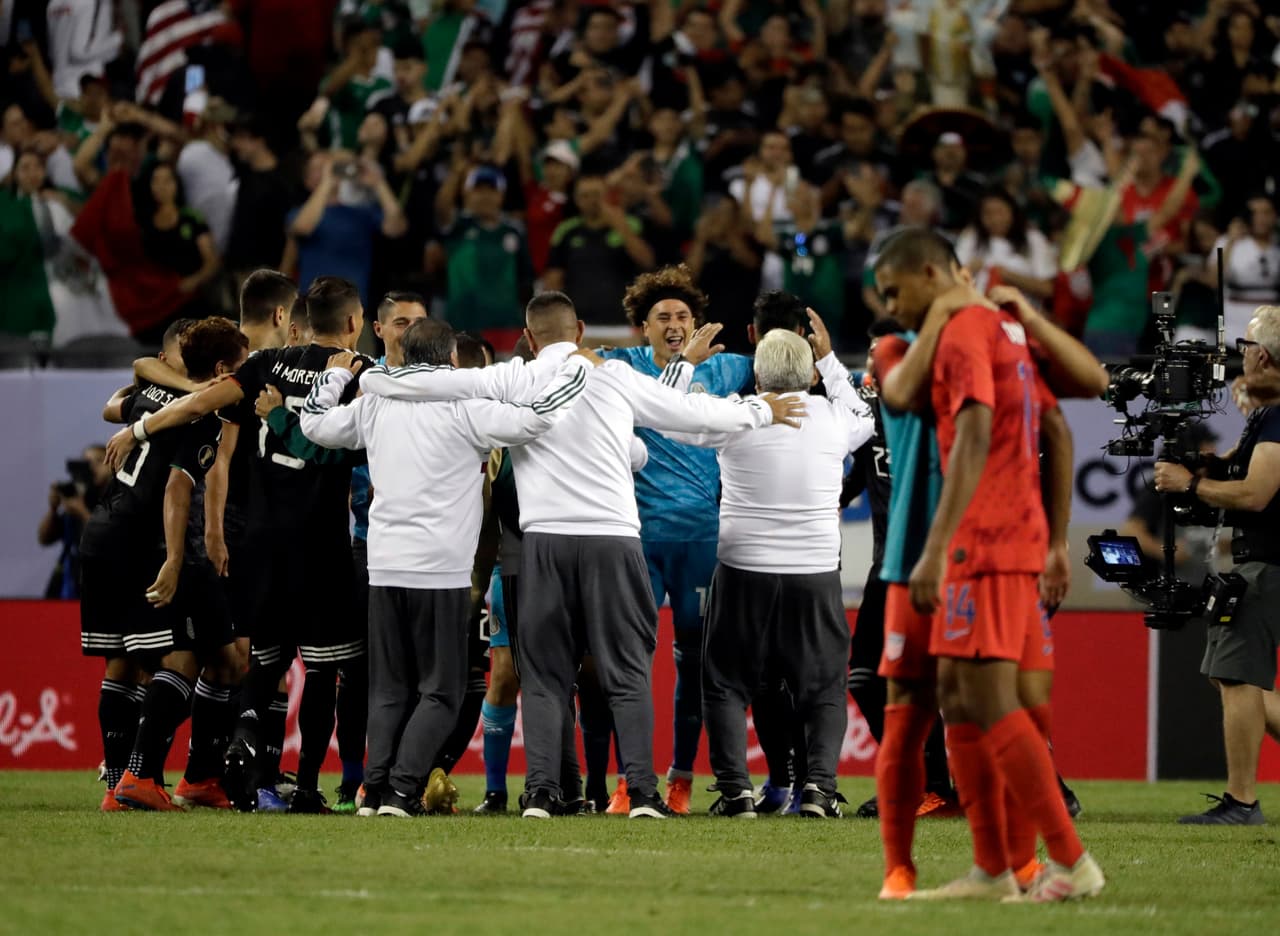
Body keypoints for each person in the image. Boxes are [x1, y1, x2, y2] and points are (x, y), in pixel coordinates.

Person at [355, 291, 807, 819]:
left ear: (527, 338)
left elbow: (433, 382)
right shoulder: (613, 375)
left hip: (543, 544)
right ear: (580, 331)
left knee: (545, 679)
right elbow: (691, 412)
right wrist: (758, 408)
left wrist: (369, 379)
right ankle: (641, 792)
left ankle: (541, 794)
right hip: (612, 541)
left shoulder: (515, 376)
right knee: (628, 673)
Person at [873, 228, 1103, 902]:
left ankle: (1047, 862)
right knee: (931, 706)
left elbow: (1021, 422)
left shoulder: (980, 332)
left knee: (999, 705)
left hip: (975, 547)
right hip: (948, 554)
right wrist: (959, 310)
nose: (891, 307)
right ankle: (942, 869)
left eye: (895, 291)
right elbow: (899, 391)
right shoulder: (918, 342)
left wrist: (948, 547)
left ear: (930, 272)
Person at [296, 319, 597, 817]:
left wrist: (333, 376)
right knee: (442, 692)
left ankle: (374, 793)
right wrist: (573, 376)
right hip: (441, 572)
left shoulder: (374, 404)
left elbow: (314, 426)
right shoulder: (467, 409)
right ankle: (399, 790)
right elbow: (538, 419)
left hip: (385, 565)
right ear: (452, 360)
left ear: (405, 358)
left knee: (389, 689)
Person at [105, 276, 372, 814]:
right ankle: (310, 786)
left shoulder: (264, 367)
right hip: (319, 541)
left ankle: (254, 775)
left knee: (262, 664)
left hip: (259, 541)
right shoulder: (356, 371)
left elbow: (199, 402)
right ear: (350, 324)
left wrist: (137, 430)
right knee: (323, 671)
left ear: (301, 320)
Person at [669, 323, 874, 819]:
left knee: (724, 684)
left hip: (744, 569)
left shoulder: (739, 414)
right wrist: (829, 361)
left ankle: (736, 792)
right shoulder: (832, 417)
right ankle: (819, 792)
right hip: (816, 572)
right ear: (808, 374)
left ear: (757, 375)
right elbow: (866, 413)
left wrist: (686, 364)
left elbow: (669, 418)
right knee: (823, 686)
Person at [600, 264, 755, 814]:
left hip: (701, 541)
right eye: (662, 316)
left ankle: (682, 778)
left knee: (695, 665)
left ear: (697, 324)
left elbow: (788, 371)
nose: (674, 324)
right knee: (630, 661)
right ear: (642, 327)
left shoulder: (730, 369)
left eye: (683, 316)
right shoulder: (621, 369)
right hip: (639, 540)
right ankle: (628, 781)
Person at [109, 318, 250, 811]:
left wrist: (134, 426)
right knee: (185, 660)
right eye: (241, 365)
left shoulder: (160, 392)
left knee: (227, 659)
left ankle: (192, 779)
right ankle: (137, 777)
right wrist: (178, 557)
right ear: (220, 369)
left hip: (156, 540)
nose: (247, 372)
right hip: (176, 547)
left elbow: (137, 371)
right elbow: (178, 484)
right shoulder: (206, 415)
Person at [1154, 304, 1280, 826]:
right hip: (1265, 561)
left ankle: (1242, 800)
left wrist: (1192, 484)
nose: (1239, 357)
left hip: (1267, 562)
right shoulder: (1266, 418)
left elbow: (1255, 493)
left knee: (1235, 678)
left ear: (1267, 357)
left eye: (1247, 348)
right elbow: (1241, 469)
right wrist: (1207, 465)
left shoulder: (1277, 417)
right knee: (1229, 677)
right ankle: (1241, 798)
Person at [285, 150, 407, 309]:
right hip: (311, 311)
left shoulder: (360, 212)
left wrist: (379, 183)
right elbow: (302, 228)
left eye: (329, 166)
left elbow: (396, 227)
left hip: (351, 312)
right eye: (318, 168)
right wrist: (326, 183)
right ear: (307, 180)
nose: (327, 170)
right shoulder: (298, 213)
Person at [428, 164, 533, 334]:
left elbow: (525, 280)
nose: (485, 196)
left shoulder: (514, 231)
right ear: (467, 194)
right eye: (479, 190)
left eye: (491, 190)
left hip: (505, 324)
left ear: (501, 195)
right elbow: (442, 206)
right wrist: (457, 171)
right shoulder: (457, 227)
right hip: (461, 324)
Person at [542, 174, 655, 331]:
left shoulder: (631, 224)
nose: (592, 200)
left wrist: (620, 225)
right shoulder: (566, 231)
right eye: (585, 196)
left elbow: (647, 261)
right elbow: (553, 279)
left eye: (596, 194)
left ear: (607, 196)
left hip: (623, 325)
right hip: (579, 326)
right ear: (576, 200)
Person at [135, 161, 222, 337]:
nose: (162, 187)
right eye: (156, 181)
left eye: (167, 181)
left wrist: (193, 281)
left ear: (177, 185)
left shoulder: (191, 219)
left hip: (188, 302)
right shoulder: (142, 223)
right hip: (154, 305)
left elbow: (212, 261)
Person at [954, 187, 1057, 303]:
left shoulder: (1033, 239)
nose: (995, 220)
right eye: (988, 214)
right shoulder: (972, 236)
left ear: (1012, 211)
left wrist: (1007, 275)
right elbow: (954, 276)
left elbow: (1048, 289)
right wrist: (970, 269)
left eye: (1000, 212)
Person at [38, 444, 112, 600]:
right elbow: (44, 538)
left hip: (103, 585)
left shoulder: (116, 501)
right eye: (86, 462)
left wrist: (82, 512)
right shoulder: (77, 498)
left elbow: (107, 541)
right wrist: (53, 509)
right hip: (71, 583)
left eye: (98, 461)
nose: (91, 468)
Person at [1214, 196, 1280, 343]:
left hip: (1272, 329)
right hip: (1234, 328)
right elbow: (1213, 279)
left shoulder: (1277, 244)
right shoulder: (1227, 242)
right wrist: (1231, 241)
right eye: (1254, 213)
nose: (1261, 218)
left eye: (1266, 212)